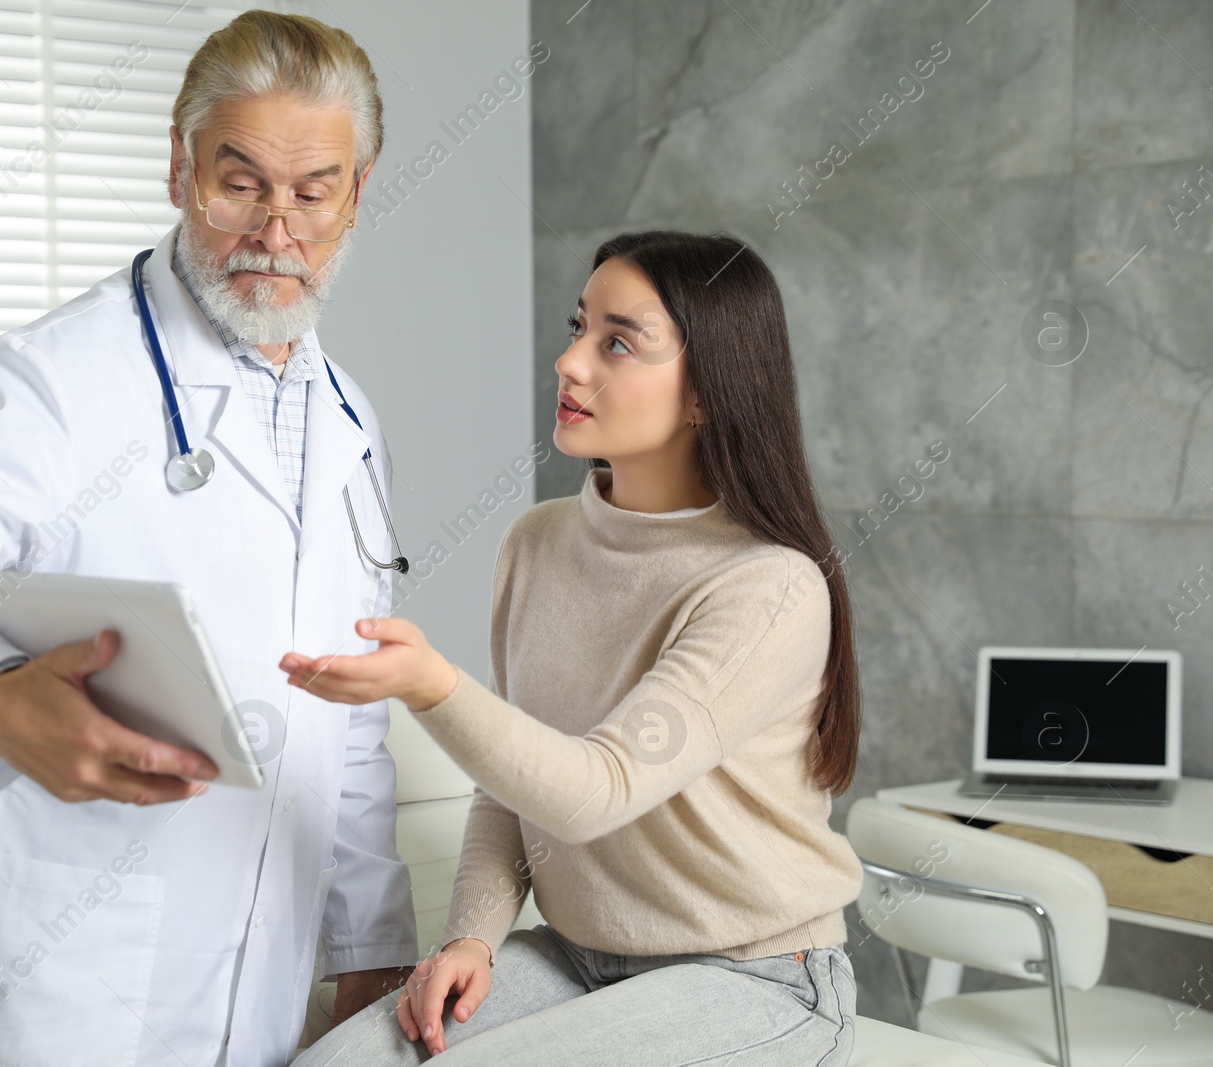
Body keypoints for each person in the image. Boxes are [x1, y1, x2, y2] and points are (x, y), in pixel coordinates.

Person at [0, 12, 420, 1067]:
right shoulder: (60, 376)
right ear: (180, 168)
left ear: (356, 195)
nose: (276, 229)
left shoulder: (350, 419)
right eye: (240, 183)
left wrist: (368, 941)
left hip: (263, 985)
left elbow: (352, 712)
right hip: (71, 987)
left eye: (312, 191)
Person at [281, 230, 865, 1065]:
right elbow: (507, 792)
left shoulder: (767, 588)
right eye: (578, 326)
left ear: (707, 391)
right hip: (581, 957)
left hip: (758, 978)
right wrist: (473, 940)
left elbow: (598, 791)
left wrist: (431, 686)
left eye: (618, 342)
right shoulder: (539, 542)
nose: (570, 362)